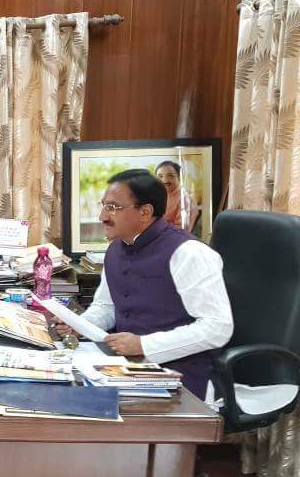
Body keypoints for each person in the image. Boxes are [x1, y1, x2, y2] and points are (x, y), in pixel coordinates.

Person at [71, 169, 233, 398]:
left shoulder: (189, 253)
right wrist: (78, 325)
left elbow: (218, 328)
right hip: (125, 368)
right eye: (104, 205)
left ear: (145, 212)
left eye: (113, 207)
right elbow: (106, 308)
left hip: (183, 377)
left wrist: (144, 345)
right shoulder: (116, 249)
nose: (102, 216)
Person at [156, 160, 200, 233]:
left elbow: (182, 230)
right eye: (160, 176)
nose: (165, 180)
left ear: (179, 178)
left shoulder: (186, 200)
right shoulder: (156, 196)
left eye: (170, 176)